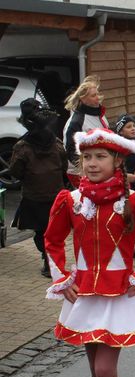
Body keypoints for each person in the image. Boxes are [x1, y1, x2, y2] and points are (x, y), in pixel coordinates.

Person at [44, 128, 135, 377]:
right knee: (94, 369)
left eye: (100, 156)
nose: (92, 163)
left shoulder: (134, 199)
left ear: (117, 161)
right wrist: (61, 280)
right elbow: (52, 240)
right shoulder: (70, 200)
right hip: (82, 295)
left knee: (104, 369)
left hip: (117, 295)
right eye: (87, 157)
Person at [10, 99, 67, 277]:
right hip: (55, 194)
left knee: (41, 231)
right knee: (54, 230)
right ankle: (53, 261)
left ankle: (48, 260)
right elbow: (64, 167)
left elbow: (16, 172)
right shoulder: (56, 144)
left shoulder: (22, 147)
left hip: (34, 196)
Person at [62, 75, 109, 187]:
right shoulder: (77, 121)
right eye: (93, 95)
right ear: (83, 99)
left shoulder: (99, 113)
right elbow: (71, 149)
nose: (98, 97)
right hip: (81, 172)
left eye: (97, 94)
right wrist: (85, 171)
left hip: (99, 166)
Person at [114, 114, 135, 259]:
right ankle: (119, 247)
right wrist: (125, 176)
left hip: (133, 186)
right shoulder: (117, 148)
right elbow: (113, 168)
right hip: (120, 187)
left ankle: (130, 247)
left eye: (134, 126)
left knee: (132, 217)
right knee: (122, 217)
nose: (133, 129)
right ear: (120, 131)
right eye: (128, 127)